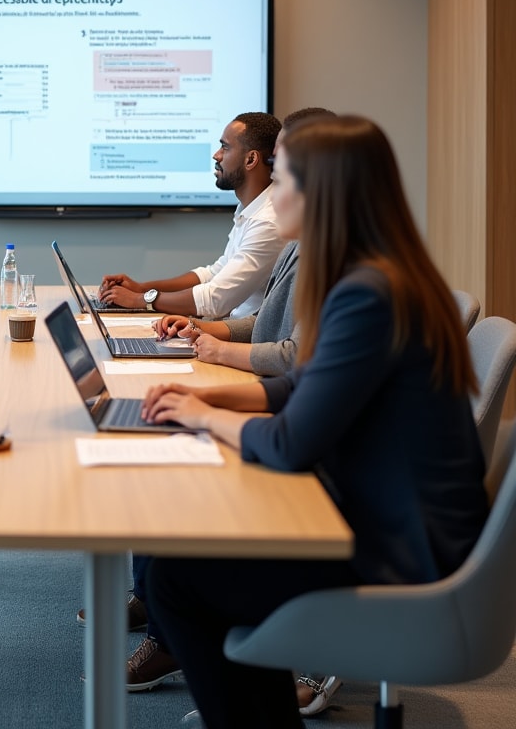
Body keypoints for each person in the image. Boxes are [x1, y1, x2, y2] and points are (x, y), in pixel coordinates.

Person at [136, 115, 489, 729]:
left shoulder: (368, 293)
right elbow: (301, 385)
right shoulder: (373, 275)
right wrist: (212, 403)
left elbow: (292, 442)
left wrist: (197, 414)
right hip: (390, 523)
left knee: (178, 578)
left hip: (406, 558)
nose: (275, 189)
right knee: (192, 558)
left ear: (324, 191)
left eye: (288, 175)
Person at [150, 109, 336, 379]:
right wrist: (199, 327)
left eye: (280, 178)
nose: (273, 193)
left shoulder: (329, 257)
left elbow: (294, 356)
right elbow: (266, 322)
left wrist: (220, 351)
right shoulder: (298, 245)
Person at [98, 112, 283, 319]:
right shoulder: (251, 209)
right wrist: (141, 289)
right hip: (229, 330)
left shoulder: (267, 221)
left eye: (225, 147)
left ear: (251, 159)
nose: (216, 155)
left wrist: (140, 301)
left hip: (241, 339)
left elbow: (215, 299)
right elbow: (214, 274)